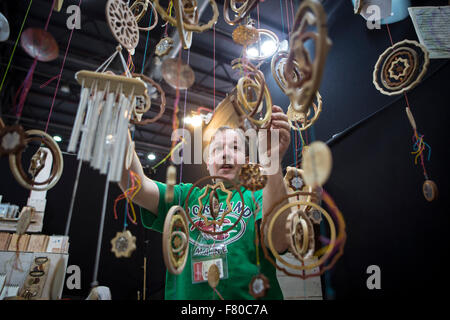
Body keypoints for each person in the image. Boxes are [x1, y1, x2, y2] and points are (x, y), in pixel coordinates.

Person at [119, 105, 292, 300]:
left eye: (234, 147)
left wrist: (272, 159)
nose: (225, 154)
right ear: (208, 163)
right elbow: (136, 186)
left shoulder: (258, 194)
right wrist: (117, 122)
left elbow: (278, 242)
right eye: (217, 149)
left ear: (246, 161)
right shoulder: (186, 197)